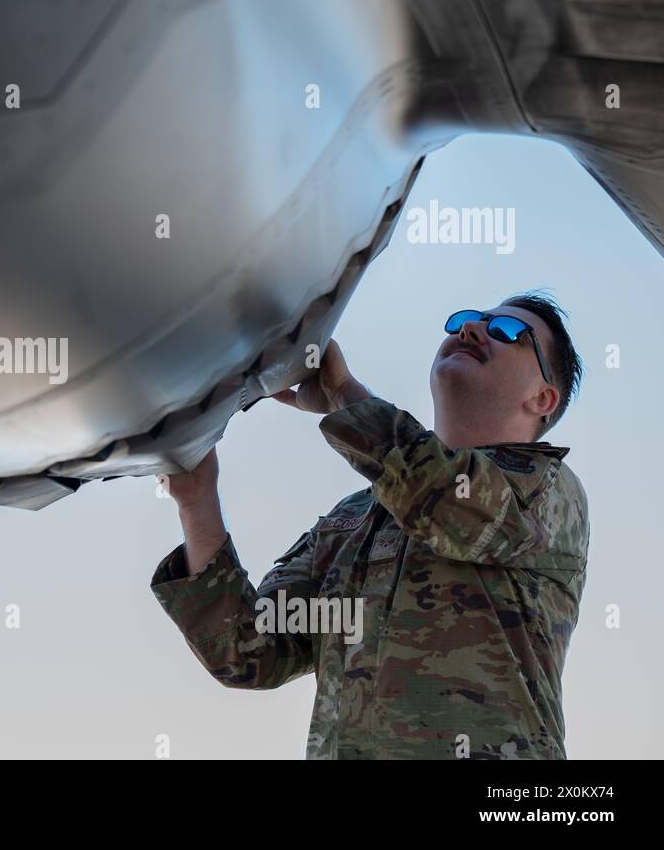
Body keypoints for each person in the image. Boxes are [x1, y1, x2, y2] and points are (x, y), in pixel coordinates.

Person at [152, 291, 588, 759]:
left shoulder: (547, 489)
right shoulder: (355, 517)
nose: (472, 329)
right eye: (466, 319)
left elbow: (444, 500)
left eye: (507, 332)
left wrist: (344, 393)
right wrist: (198, 502)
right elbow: (248, 651)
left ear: (542, 398)